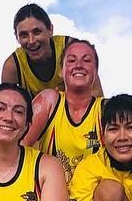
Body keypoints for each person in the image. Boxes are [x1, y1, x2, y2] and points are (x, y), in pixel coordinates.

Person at [24, 38, 104, 184]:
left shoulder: (106, 108)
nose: (79, 65)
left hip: (94, 197)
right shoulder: (49, 101)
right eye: (72, 61)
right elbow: (19, 145)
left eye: (86, 60)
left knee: (112, 191)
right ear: (61, 71)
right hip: (52, 196)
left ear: (96, 71)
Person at [0, 4, 100, 98]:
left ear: (50, 30)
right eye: (24, 35)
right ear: (17, 37)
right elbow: (7, 104)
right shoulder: (12, 66)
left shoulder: (71, 48)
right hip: (37, 114)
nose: (31, 41)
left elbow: (96, 93)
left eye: (37, 32)